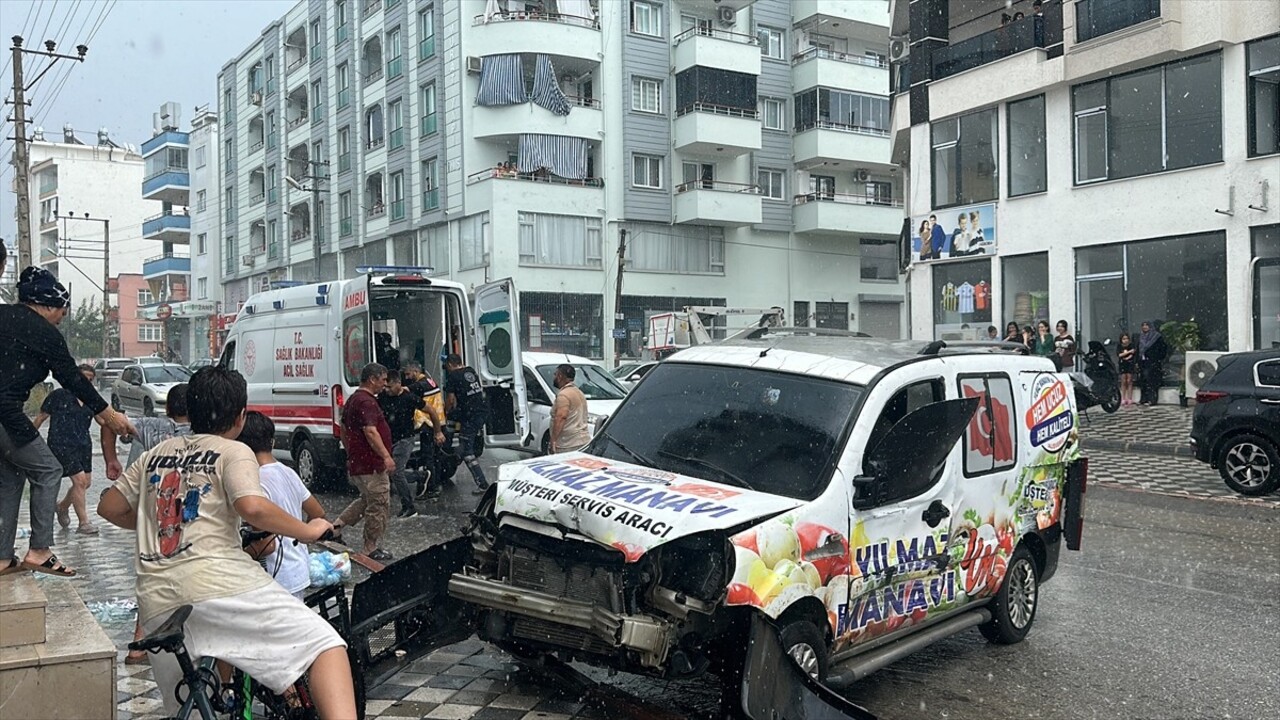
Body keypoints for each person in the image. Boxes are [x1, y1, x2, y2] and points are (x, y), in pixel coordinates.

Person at [97, 366, 354, 719]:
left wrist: (161, 525)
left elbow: (108, 507)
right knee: (325, 646)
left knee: (191, 708)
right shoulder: (233, 451)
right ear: (241, 416)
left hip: (157, 601)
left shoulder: (153, 456)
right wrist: (309, 530)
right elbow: (251, 506)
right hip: (222, 586)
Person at [1, 266, 134, 578]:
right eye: (61, 311)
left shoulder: (4, 317)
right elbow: (72, 378)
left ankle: (3, 558)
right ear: (47, 305)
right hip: (5, 413)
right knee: (48, 470)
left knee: (10, 477)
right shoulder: (44, 333)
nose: (62, 318)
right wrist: (110, 415)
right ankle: (40, 551)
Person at [103, 383, 192, 666]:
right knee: (183, 573)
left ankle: (139, 646)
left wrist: (111, 458)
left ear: (168, 408)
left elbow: (108, 419)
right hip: (186, 515)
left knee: (152, 574)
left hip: (153, 510)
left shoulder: (150, 425)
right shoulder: (201, 433)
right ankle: (178, 642)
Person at [238, 411, 325, 599]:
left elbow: (266, 545)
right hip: (297, 570)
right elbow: (317, 513)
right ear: (272, 441)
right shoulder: (289, 472)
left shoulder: (254, 481)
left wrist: (236, 557)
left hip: (274, 578)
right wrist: (298, 538)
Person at [333, 363, 395, 561]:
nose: (384, 385)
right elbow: (370, 431)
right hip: (372, 465)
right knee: (378, 504)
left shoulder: (353, 399)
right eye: (383, 380)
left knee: (365, 500)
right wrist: (385, 456)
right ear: (372, 379)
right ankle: (370, 547)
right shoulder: (367, 402)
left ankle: (335, 528)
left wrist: (351, 450)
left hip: (359, 462)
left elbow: (342, 428)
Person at [32, 364, 99, 535]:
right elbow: (40, 418)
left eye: (90, 380)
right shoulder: (59, 395)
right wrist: (27, 442)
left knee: (86, 483)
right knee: (80, 481)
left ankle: (62, 507)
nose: (86, 382)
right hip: (61, 444)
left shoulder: (91, 398)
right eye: (84, 378)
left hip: (83, 445)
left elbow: (104, 419)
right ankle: (84, 523)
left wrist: (121, 425)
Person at [443, 353, 490, 495]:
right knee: (463, 440)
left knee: (467, 451)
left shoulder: (453, 376)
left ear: (450, 364)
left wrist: (443, 414)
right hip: (480, 412)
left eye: (447, 367)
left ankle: (482, 483)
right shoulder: (470, 371)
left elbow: (450, 400)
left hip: (470, 416)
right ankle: (453, 449)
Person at [378, 370, 422, 518]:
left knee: (396, 472)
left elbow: (431, 411)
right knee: (388, 472)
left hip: (405, 439)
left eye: (390, 387)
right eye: (385, 387)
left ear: (398, 383)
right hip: (391, 439)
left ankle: (409, 507)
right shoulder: (383, 397)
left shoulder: (409, 397)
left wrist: (438, 431)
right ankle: (420, 476)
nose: (387, 390)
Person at [400, 363, 446, 499]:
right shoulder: (430, 381)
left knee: (428, 458)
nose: (407, 377)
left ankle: (430, 488)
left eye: (408, 374)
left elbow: (402, 390)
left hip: (429, 424)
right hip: (439, 421)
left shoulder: (419, 385)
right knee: (436, 457)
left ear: (415, 371)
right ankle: (436, 484)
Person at [550, 364, 590, 455]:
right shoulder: (579, 392)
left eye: (555, 374)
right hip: (583, 441)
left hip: (568, 444)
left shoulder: (563, 395)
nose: (554, 377)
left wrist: (553, 440)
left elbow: (561, 417)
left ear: (560, 376)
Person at [1137, 321, 1167, 406]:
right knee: (1143, 381)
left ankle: (1152, 399)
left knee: (1152, 381)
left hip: (1153, 363)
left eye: (1147, 325)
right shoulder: (1141, 337)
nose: (1145, 327)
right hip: (1143, 363)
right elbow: (1138, 349)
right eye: (1143, 325)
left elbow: (1163, 349)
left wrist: (1157, 358)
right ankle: (1144, 399)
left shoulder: (1157, 337)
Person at [1117, 332, 1137, 407]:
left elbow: (1133, 354)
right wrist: (1128, 353)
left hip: (1130, 364)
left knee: (1129, 380)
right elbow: (1119, 355)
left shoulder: (1131, 345)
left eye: (1127, 338)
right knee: (1123, 381)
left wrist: (1128, 356)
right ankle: (1123, 398)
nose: (1125, 340)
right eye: (1124, 339)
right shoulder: (1119, 346)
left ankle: (1130, 398)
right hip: (1122, 364)